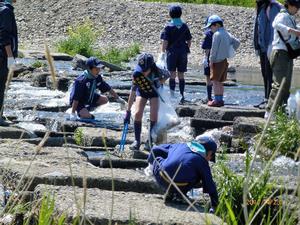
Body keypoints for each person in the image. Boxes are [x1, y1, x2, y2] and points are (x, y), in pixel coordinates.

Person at [147, 136, 218, 213]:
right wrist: (214, 205)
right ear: (209, 152)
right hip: (182, 185)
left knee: (158, 159)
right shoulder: (202, 161)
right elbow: (210, 184)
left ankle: (171, 193)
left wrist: (150, 167)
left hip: (161, 178)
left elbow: (155, 149)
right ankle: (179, 195)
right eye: (211, 157)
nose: (209, 160)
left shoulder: (180, 145)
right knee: (199, 175)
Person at [124, 53, 170, 151]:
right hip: (142, 91)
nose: (143, 73)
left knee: (153, 116)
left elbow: (168, 74)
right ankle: (137, 141)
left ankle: (149, 141)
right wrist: (128, 111)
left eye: (145, 70)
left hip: (154, 92)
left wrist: (159, 82)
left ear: (151, 66)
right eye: (142, 70)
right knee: (137, 113)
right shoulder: (136, 74)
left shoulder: (157, 70)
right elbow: (132, 93)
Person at [265, 0, 300, 119]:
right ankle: (270, 112)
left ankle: (281, 113)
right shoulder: (282, 15)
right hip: (280, 53)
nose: (298, 9)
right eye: (297, 6)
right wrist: (293, 31)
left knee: (286, 85)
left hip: (287, 54)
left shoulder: (290, 18)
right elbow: (276, 24)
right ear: (289, 5)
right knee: (279, 85)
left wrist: (296, 29)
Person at [205, 15, 240, 107]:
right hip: (224, 60)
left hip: (216, 61)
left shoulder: (216, 35)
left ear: (216, 25)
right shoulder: (227, 33)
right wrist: (230, 50)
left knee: (215, 81)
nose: (210, 29)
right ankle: (220, 99)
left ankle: (216, 100)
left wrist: (210, 61)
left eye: (210, 26)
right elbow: (237, 42)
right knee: (220, 82)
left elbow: (213, 50)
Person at [160, 5, 192, 104]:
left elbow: (165, 41)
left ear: (170, 14)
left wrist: (162, 52)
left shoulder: (168, 26)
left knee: (172, 74)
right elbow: (189, 40)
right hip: (183, 53)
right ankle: (182, 95)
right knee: (181, 74)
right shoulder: (185, 26)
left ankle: (172, 95)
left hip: (172, 53)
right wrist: (186, 49)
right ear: (180, 14)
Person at [254, 0, 282, 108]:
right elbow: (257, 28)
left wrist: (270, 47)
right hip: (262, 47)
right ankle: (266, 99)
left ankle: (270, 102)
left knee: (270, 75)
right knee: (265, 74)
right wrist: (256, 46)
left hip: (269, 47)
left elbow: (272, 28)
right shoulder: (261, 7)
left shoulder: (273, 7)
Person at [0, 0, 18, 126]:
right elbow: (5, 35)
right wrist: (10, 56)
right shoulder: (6, 11)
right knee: (1, 86)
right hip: (2, 56)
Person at [201, 17, 214, 103]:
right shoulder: (219, 32)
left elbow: (207, 47)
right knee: (216, 79)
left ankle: (209, 97)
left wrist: (206, 58)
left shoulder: (208, 34)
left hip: (210, 57)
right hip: (219, 58)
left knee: (208, 78)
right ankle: (217, 97)